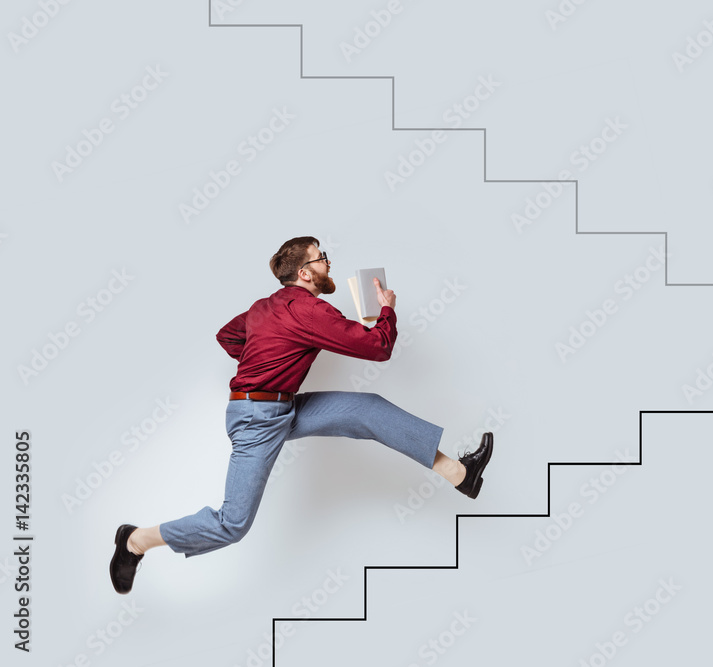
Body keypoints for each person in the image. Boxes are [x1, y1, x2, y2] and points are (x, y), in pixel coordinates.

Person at [109, 236, 493, 594]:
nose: (329, 263)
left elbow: (228, 336)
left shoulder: (265, 307)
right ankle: (135, 540)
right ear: (306, 273)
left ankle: (460, 475)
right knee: (232, 524)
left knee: (366, 409)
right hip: (257, 417)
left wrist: (266, 358)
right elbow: (379, 348)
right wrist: (387, 310)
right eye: (322, 258)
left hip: (282, 406)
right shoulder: (309, 309)